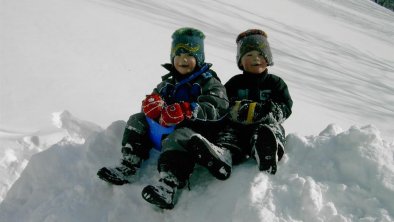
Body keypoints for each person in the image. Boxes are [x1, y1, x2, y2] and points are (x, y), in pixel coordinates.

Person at [97, 27, 231, 209]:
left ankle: (169, 185)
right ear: (172, 58)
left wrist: (189, 109)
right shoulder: (167, 83)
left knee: (181, 136)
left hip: (190, 134)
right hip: (162, 131)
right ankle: (129, 164)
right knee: (137, 119)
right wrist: (151, 105)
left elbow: (218, 106)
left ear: (198, 59)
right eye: (179, 55)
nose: (183, 60)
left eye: (189, 56)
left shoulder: (209, 82)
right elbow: (154, 99)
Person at [215, 29, 293, 175]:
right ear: (241, 62)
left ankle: (267, 152)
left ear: (268, 58)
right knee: (228, 134)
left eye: (260, 55)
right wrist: (236, 109)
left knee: (269, 131)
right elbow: (222, 104)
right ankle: (224, 154)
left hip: (265, 125)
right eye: (249, 55)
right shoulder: (235, 82)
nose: (255, 59)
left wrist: (270, 110)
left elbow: (286, 107)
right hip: (238, 129)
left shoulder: (275, 83)